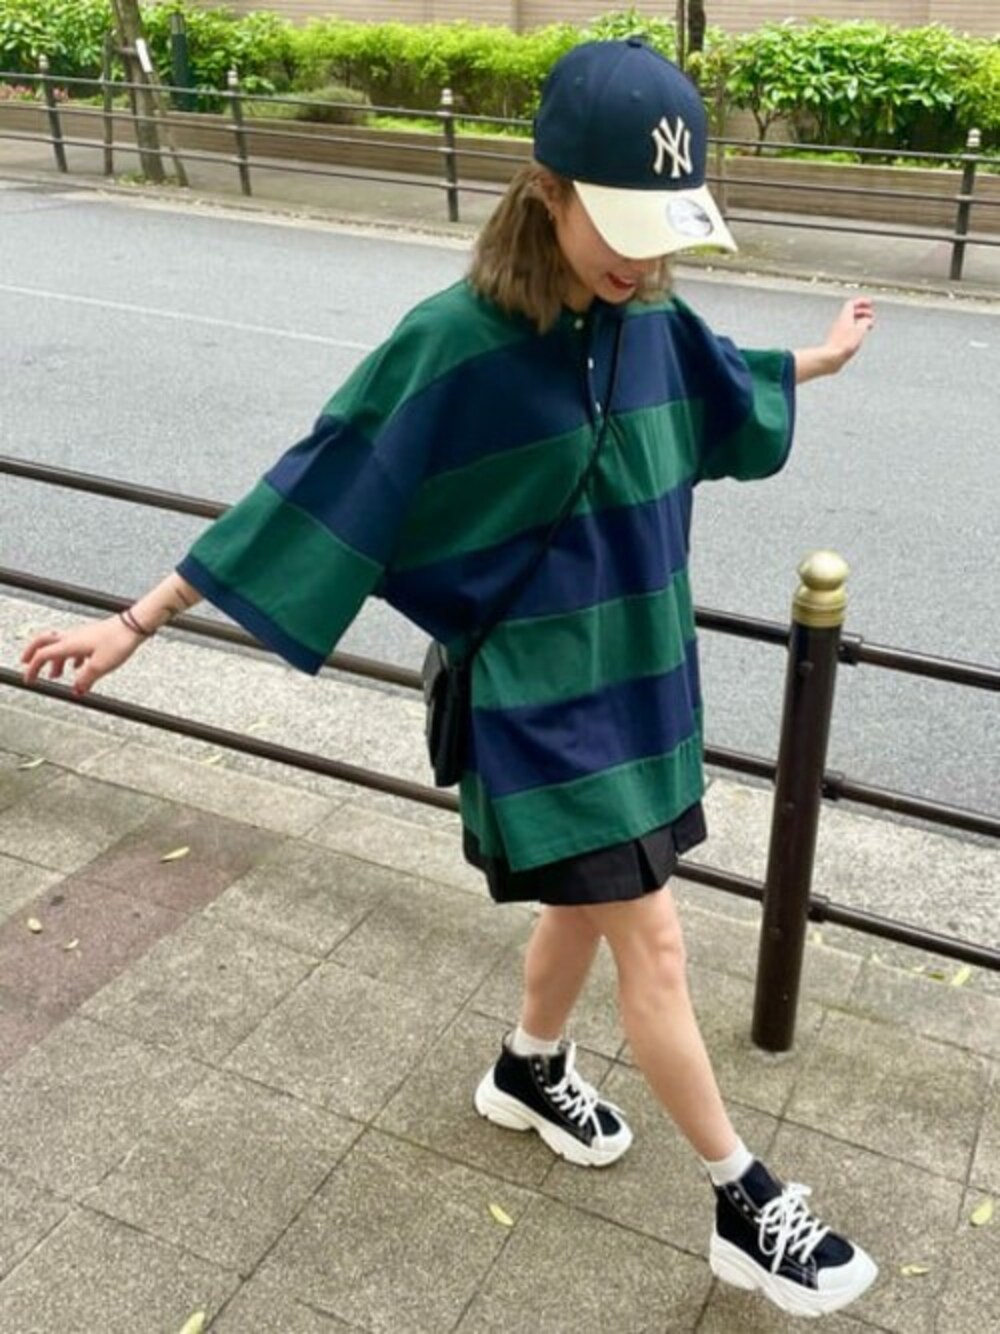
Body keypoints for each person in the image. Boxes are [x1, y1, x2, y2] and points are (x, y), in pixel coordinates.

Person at [20, 39, 877, 1319]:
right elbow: (319, 480)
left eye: (664, 233)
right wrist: (139, 619)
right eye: (621, 227)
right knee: (650, 930)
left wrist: (815, 360)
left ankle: (527, 1066)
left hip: (640, 669)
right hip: (538, 694)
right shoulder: (452, 344)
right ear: (546, 191)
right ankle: (742, 1201)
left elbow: (718, 381)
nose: (643, 260)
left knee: (591, 901)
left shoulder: (650, 316)